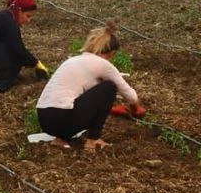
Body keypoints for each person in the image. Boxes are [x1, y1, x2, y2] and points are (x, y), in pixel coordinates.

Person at [36, 21, 141, 151]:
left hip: (44, 119)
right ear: (112, 53)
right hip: (64, 120)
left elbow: (86, 98)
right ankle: (93, 140)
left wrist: (111, 109)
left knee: (71, 98)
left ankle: (61, 139)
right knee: (109, 87)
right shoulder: (103, 64)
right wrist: (135, 109)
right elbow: (131, 96)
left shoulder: (72, 61)